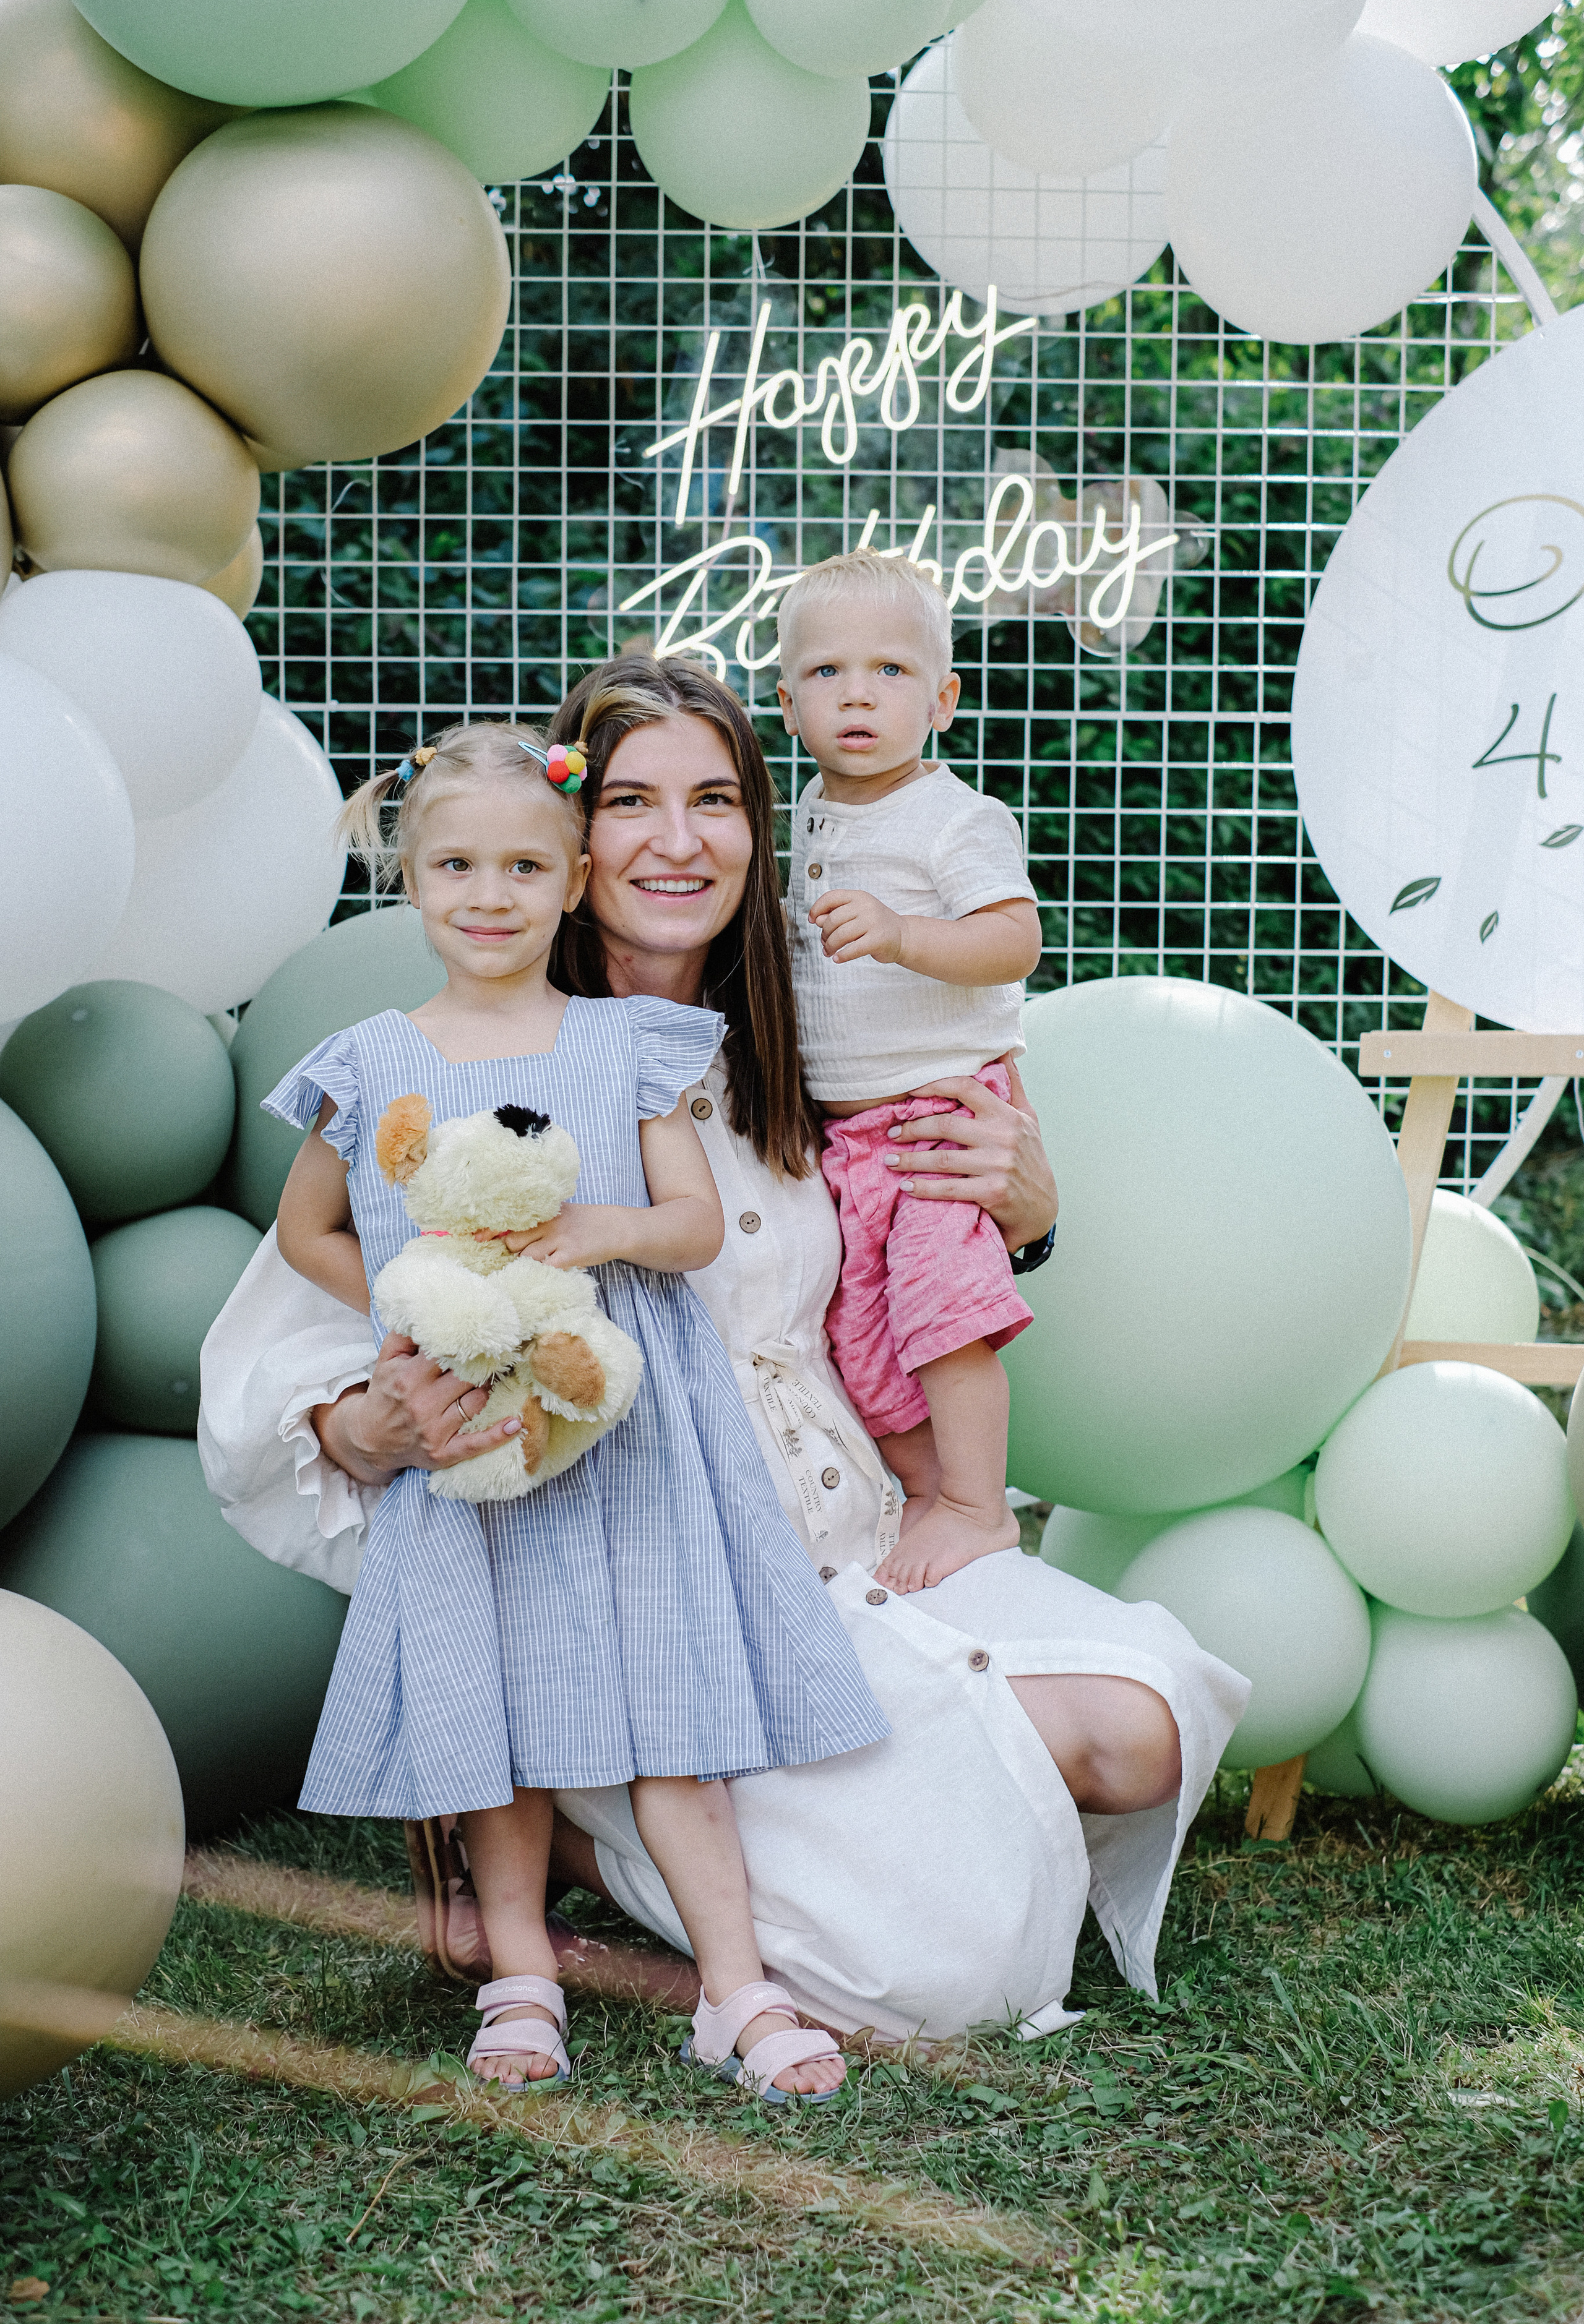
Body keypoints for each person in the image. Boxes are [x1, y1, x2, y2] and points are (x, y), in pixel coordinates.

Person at [201, 654, 1247, 2050]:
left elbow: (917, 1262)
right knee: (948, 1976)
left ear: (761, 827)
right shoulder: (474, 1061)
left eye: (715, 799)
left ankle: (914, 1795)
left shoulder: (812, 1028)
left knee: (1143, 1730)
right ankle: (559, 1825)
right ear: (575, 845)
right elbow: (293, 1336)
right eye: (633, 800)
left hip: (857, 1538)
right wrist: (370, 1422)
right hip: (634, 1583)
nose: (678, 841)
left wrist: (1028, 1213)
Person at [255, 716, 889, 2101]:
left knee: (678, 1711)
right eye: (456, 868)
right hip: (478, 1442)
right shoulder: (371, 1059)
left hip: (632, 1440)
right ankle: (523, 1972)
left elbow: (695, 1224)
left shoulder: (624, 1043)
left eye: (524, 869)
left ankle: (736, 1989)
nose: (490, 898)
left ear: (573, 879)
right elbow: (309, 1229)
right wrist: (415, 1306)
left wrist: (608, 1228)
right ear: (409, 880)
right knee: (502, 1723)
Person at [778, 547, 1041, 1593]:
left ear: (943, 701)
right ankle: (930, 1491)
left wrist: (900, 934)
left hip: (940, 1114)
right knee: (860, 1331)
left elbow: (1013, 942)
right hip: (851, 1134)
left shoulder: (954, 817)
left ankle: (981, 1505)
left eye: (890, 671)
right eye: (828, 672)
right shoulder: (808, 807)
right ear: (788, 703)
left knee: (942, 1312)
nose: (858, 695)